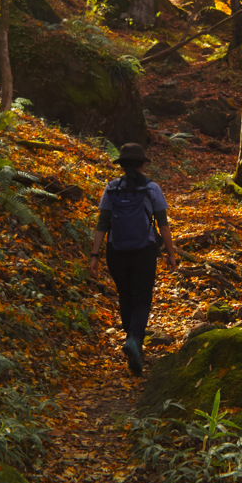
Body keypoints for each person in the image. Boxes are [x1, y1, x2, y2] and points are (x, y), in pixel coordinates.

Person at [88, 143, 178, 375]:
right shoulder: (151, 188)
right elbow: (163, 224)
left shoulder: (111, 188)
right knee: (142, 297)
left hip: (115, 251)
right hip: (144, 251)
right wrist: (170, 253)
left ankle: (132, 340)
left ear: (122, 164)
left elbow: (102, 224)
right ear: (141, 164)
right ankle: (134, 340)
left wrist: (94, 255)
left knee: (125, 296)